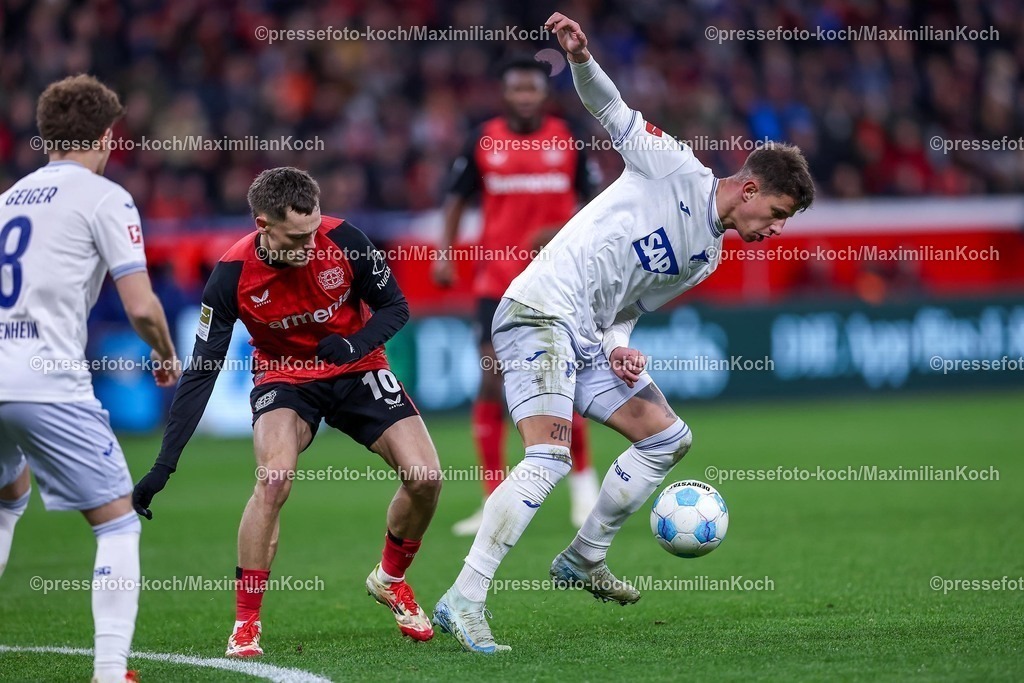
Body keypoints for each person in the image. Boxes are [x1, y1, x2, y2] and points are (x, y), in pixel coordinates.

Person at [433, 12, 815, 653]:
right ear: (749, 188)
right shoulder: (673, 168)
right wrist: (581, 59)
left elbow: (626, 307)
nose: (775, 230)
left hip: (582, 335)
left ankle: (584, 557)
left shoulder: (708, 256)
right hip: (536, 310)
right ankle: (463, 600)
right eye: (776, 214)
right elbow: (611, 110)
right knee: (548, 458)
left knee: (668, 438)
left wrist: (620, 348)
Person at [131, 167, 442, 656]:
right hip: (285, 376)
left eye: (314, 231)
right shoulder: (231, 276)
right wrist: (164, 465)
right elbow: (201, 371)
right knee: (273, 478)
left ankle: (390, 578)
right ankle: (246, 624)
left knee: (426, 476)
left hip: (357, 364)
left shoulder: (345, 240)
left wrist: (355, 342)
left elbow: (395, 307)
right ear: (263, 225)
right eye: (297, 237)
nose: (310, 244)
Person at [0, 75, 181, 683]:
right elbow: (141, 306)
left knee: (6, 500)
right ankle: (109, 672)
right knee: (118, 522)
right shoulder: (105, 196)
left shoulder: (10, 197)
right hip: (47, 382)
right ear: (107, 136)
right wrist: (163, 351)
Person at [433, 56, 602, 535]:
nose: (525, 97)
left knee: (561, 374)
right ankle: (492, 498)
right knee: (491, 379)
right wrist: (445, 254)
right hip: (496, 279)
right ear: (504, 94)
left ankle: (582, 484)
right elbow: (456, 197)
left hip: (555, 279)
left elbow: (597, 205)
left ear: (542, 95)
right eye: (516, 90)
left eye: (532, 90)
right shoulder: (483, 139)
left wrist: (560, 230)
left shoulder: (566, 138)